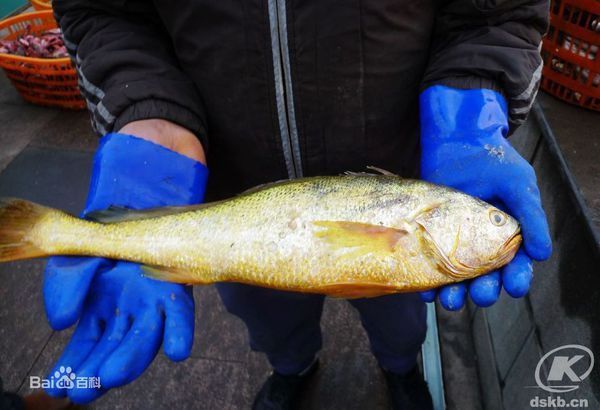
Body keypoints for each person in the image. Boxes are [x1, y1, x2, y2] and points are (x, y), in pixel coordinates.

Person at [44, 0, 552, 408]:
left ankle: (400, 367)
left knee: (401, 321)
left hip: (403, 163)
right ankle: (292, 368)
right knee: (268, 319)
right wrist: (147, 111)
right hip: (227, 181)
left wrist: (469, 100)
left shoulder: (422, 237)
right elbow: (103, 11)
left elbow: (497, 13)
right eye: (488, 218)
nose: (498, 227)